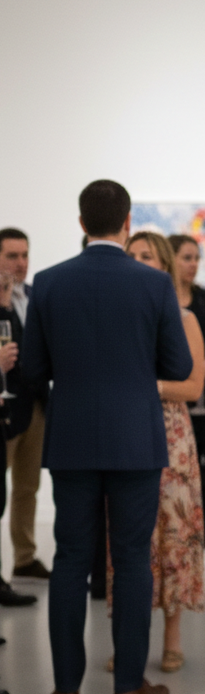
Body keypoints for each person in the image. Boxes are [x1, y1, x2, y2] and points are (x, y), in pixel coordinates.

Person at [22, 180, 193, 694]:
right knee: (132, 560)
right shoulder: (153, 284)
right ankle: (127, 687)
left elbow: (31, 372)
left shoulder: (48, 284)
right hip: (135, 442)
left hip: (70, 439)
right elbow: (180, 368)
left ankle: (66, 689)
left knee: (71, 559)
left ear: (80, 223)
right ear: (126, 224)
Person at [119, 231, 205, 672]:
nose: (137, 261)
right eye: (131, 254)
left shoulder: (184, 318)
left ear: (164, 264)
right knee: (129, 537)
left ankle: (172, 637)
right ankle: (128, 640)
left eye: (146, 256)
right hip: (125, 432)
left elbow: (193, 387)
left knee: (172, 534)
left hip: (171, 435)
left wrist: (145, 386)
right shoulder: (116, 314)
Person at [168, 234, 205, 570]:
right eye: (186, 257)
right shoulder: (158, 299)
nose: (192, 264)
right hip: (174, 398)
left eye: (195, 258)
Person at [0, 228, 49, 581]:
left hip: (36, 405)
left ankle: (24, 557)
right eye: (11, 255)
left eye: (24, 255)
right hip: (4, 406)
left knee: (27, 487)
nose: (20, 263)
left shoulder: (34, 294)